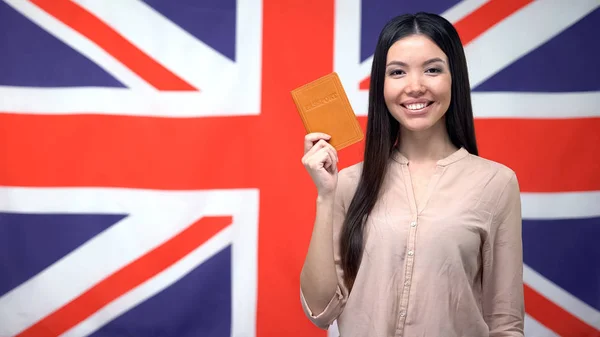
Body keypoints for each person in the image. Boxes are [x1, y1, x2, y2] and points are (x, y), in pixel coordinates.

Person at [299, 12, 524, 337]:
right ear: (382, 85)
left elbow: (505, 324)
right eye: (398, 72)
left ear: (454, 78)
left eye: (432, 69)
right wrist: (325, 196)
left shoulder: (497, 183)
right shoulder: (348, 183)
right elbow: (320, 310)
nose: (415, 87)